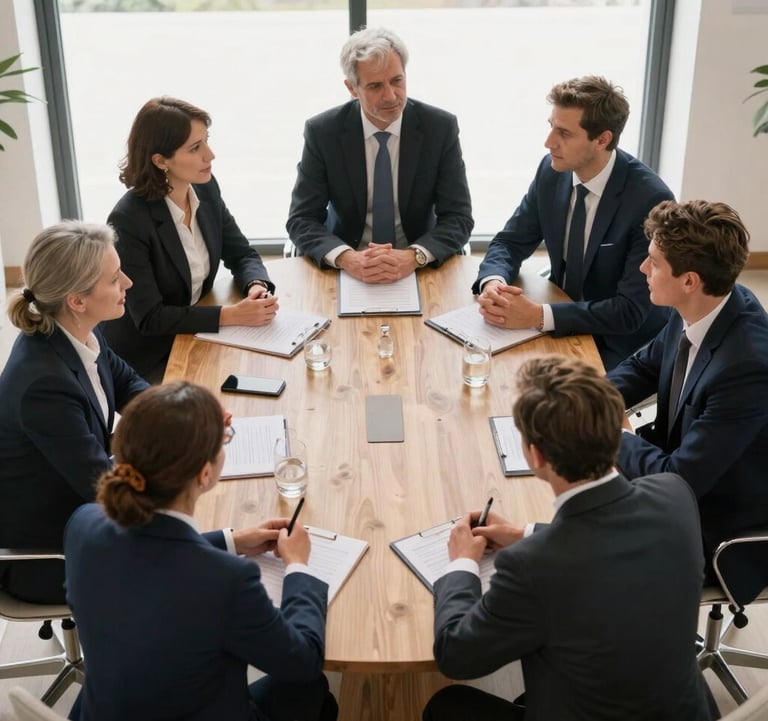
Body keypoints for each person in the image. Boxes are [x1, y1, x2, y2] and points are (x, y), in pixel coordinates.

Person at [424, 355, 718, 721]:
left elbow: (456, 655)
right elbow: (607, 543)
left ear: (535, 455)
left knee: (445, 707)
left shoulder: (532, 567)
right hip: (687, 711)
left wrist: (463, 563)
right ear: (616, 438)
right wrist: (525, 534)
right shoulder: (673, 495)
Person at [64, 381, 338, 721]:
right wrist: (298, 565)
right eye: (224, 442)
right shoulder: (227, 581)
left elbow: (152, 558)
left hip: (105, 711)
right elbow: (303, 659)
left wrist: (232, 541)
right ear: (205, 474)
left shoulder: (82, 525)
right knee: (312, 687)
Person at [608, 199, 768, 605]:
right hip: (684, 474)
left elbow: (679, 480)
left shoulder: (747, 366)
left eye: (654, 263)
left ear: (689, 280)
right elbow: (643, 367)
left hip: (720, 528)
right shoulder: (706, 305)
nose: (643, 269)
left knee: (587, 556)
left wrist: (608, 434)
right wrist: (589, 399)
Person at [474, 76, 673, 370]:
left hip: (617, 339)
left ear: (602, 139)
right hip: (558, 311)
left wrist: (538, 316)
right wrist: (494, 282)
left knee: (547, 402)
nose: (549, 142)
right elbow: (511, 240)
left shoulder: (650, 200)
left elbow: (630, 311)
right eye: (551, 126)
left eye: (564, 133)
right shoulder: (552, 171)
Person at [0, 221, 148, 604]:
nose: (128, 284)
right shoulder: (42, 385)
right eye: (115, 279)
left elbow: (130, 385)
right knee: (184, 560)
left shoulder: (80, 331)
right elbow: (103, 488)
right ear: (77, 301)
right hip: (48, 553)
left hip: (77, 504)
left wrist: (184, 414)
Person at [103, 96, 278, 382]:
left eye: (206, 141)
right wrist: (232, 315)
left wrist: (255, 285)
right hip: (149, 356)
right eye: (196, 148)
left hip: (196, 332)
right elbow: (150, 317)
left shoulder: (205, 190)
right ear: (160, 160)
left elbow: (242, 253)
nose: (210, 155)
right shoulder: (129, 220)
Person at [286, 27, 473, 284]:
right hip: (347, 265)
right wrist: (347, 258)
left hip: (418, 266)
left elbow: (458, 218)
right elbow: (302, 219)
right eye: (375, 86)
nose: (390, 96)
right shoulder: (323, 132)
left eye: (397, 80)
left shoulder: (439, 128)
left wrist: (413, 256)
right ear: (352, 88)